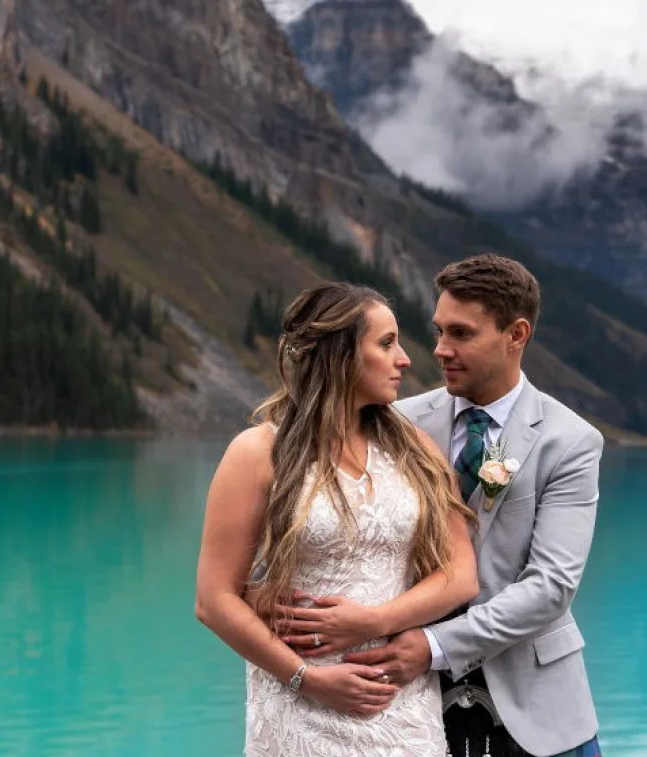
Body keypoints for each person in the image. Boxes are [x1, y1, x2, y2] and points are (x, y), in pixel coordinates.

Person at [194, 281, 479, 757]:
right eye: (386, 343)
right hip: (299, 703)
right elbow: (214, 600)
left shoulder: (417, 450)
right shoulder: (258, 452)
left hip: (397, 701)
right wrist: (309, 680)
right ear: (341, 355)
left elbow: (460, 575)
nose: (406, 359)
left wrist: (372, 621)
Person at [347, 254, 606, 757]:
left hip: (539, 714)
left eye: (461, 334)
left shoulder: (571, 441)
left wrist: (434, 647)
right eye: (439, 331)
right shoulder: (395, 422)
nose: (440, 349)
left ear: (517, 334)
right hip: (408, 709)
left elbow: (551, 586)